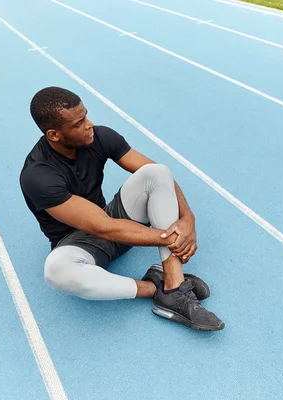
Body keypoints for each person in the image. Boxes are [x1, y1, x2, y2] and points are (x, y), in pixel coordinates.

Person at [20, 87, 224, 331]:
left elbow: (157, 175)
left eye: (86, 116)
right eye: (79, 123)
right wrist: (175, 238)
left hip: (113, 220)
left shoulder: (100, 137)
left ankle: (174, 287)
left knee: (156, 172)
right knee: (57, 271)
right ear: (54, 134)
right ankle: (154, 287)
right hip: (78, 243)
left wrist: (188, 219)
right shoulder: (38, 176)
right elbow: (101, 227)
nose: (89, 125)